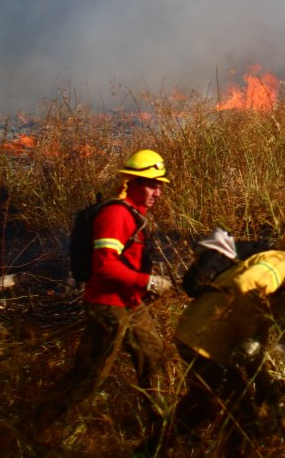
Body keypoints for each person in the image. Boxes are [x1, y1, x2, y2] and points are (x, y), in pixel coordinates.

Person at [34, 149, 175, 454]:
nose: (158, 192)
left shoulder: (135, 214)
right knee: (88, 377)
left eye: (160, 185)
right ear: (132, 183)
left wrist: (142, 284)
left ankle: (159, 434)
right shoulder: (115, 215)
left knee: (153, 355)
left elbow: (127, 262)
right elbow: (104, 266)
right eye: (152, 184)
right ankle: (28, 428)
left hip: (130, 303)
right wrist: (147, 281)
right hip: (108, 306)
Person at [171, 230, 285, 455]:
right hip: (205, 342)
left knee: (198, 406)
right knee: (243, 423)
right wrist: (248, 339)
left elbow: (257, 334)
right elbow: (246, 284)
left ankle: (149, 449)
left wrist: (263, 382)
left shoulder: (276, 279)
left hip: (195, 335)